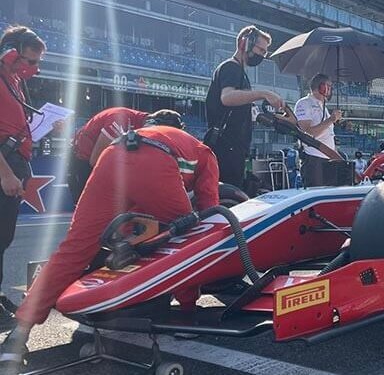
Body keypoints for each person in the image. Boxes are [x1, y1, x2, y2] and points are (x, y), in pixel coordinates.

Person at [0, 124, 220, 368]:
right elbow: (210, 213)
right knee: (189, 240)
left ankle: (19, 333)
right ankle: (187, 314)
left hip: (112, 156)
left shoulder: (159, 132)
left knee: (73, 250)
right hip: (152, 161)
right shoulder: (206, 153)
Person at [0, 26, 46, 327]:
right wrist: (5, 174)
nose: (34, 68)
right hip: (5, 163)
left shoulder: (13, 81)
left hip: (14, 160)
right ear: (11, 53)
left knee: (3, 237)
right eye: (30, 61)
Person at [205, 25, 284, 189]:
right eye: (261, 50)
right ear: (244, 44)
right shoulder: (231, 67)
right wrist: (264, 94)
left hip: (233, 149)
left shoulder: (239, 72)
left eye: (265, 52)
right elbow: (227, 97)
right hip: (226, 150)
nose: (262, 55)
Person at [68, 107, 184, 203]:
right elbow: (96, 161)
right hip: (83, 163)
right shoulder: (120, 120)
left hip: (96, 163)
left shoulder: (141, 124)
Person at [294, 74, 341, 187]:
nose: (330, 90)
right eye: (329, 86)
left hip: (328, 158)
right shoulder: (304, 104)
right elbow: (307, 134)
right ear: (322, 87)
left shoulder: (323, 106)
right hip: (314, 158)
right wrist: (331, 120)